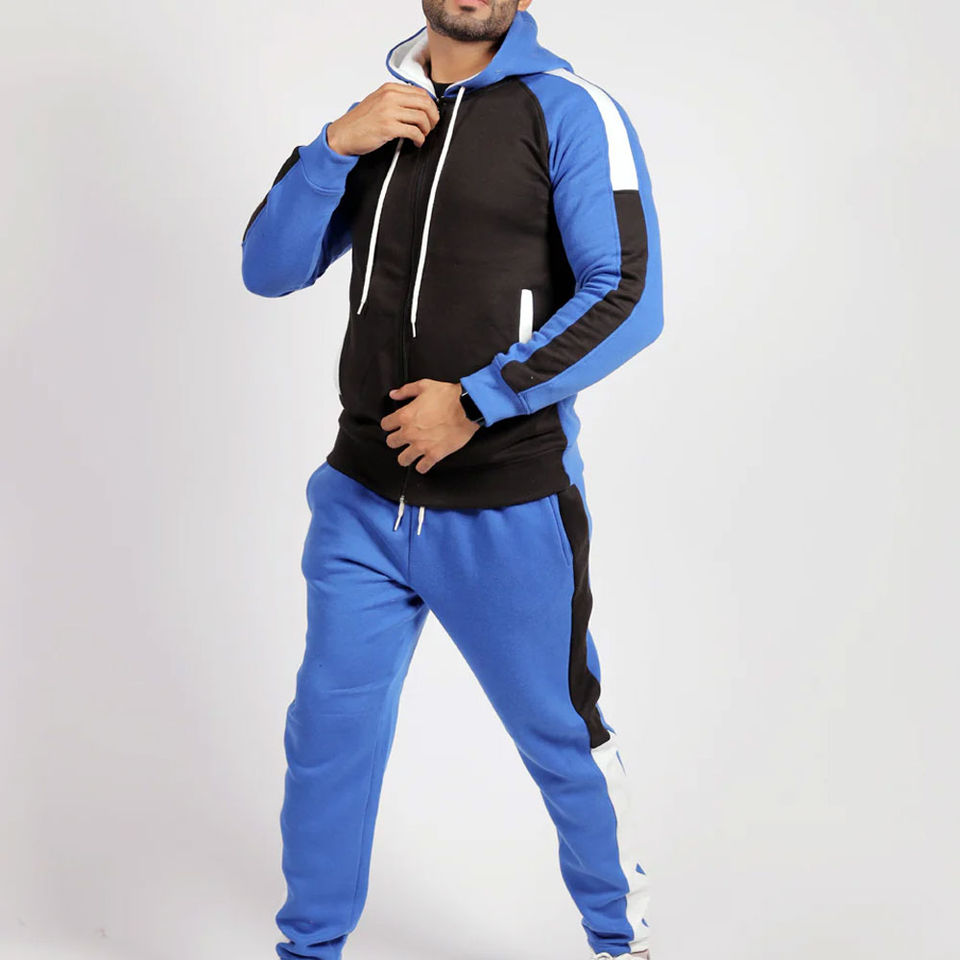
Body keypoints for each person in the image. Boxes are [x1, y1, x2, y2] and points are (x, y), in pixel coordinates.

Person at [241, 2, 663, 958]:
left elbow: (630, 295)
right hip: (359, 503)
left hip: (505, 508)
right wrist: (331, 149)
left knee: (561, 738)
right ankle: (308, 950)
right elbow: (268, 270)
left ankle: (621, 945)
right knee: (327, 742)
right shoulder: (383, 116)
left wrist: (477, 400)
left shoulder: (568, 110)